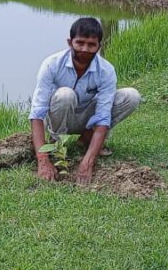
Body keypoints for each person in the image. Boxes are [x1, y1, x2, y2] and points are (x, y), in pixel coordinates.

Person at [30, 17, 141, 185]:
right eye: (80, 43)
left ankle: (87, 137)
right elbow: (37, 113)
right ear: (70, 42)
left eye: (91, 44)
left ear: (99, 46)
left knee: (131, 96)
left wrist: (87, 163)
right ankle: (57, 143)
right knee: (66, 95)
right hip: (59, 116)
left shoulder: (106, 71)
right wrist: (43, 161)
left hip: (87, 118)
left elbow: (103, 117)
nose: (85, 49)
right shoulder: (52, 64)